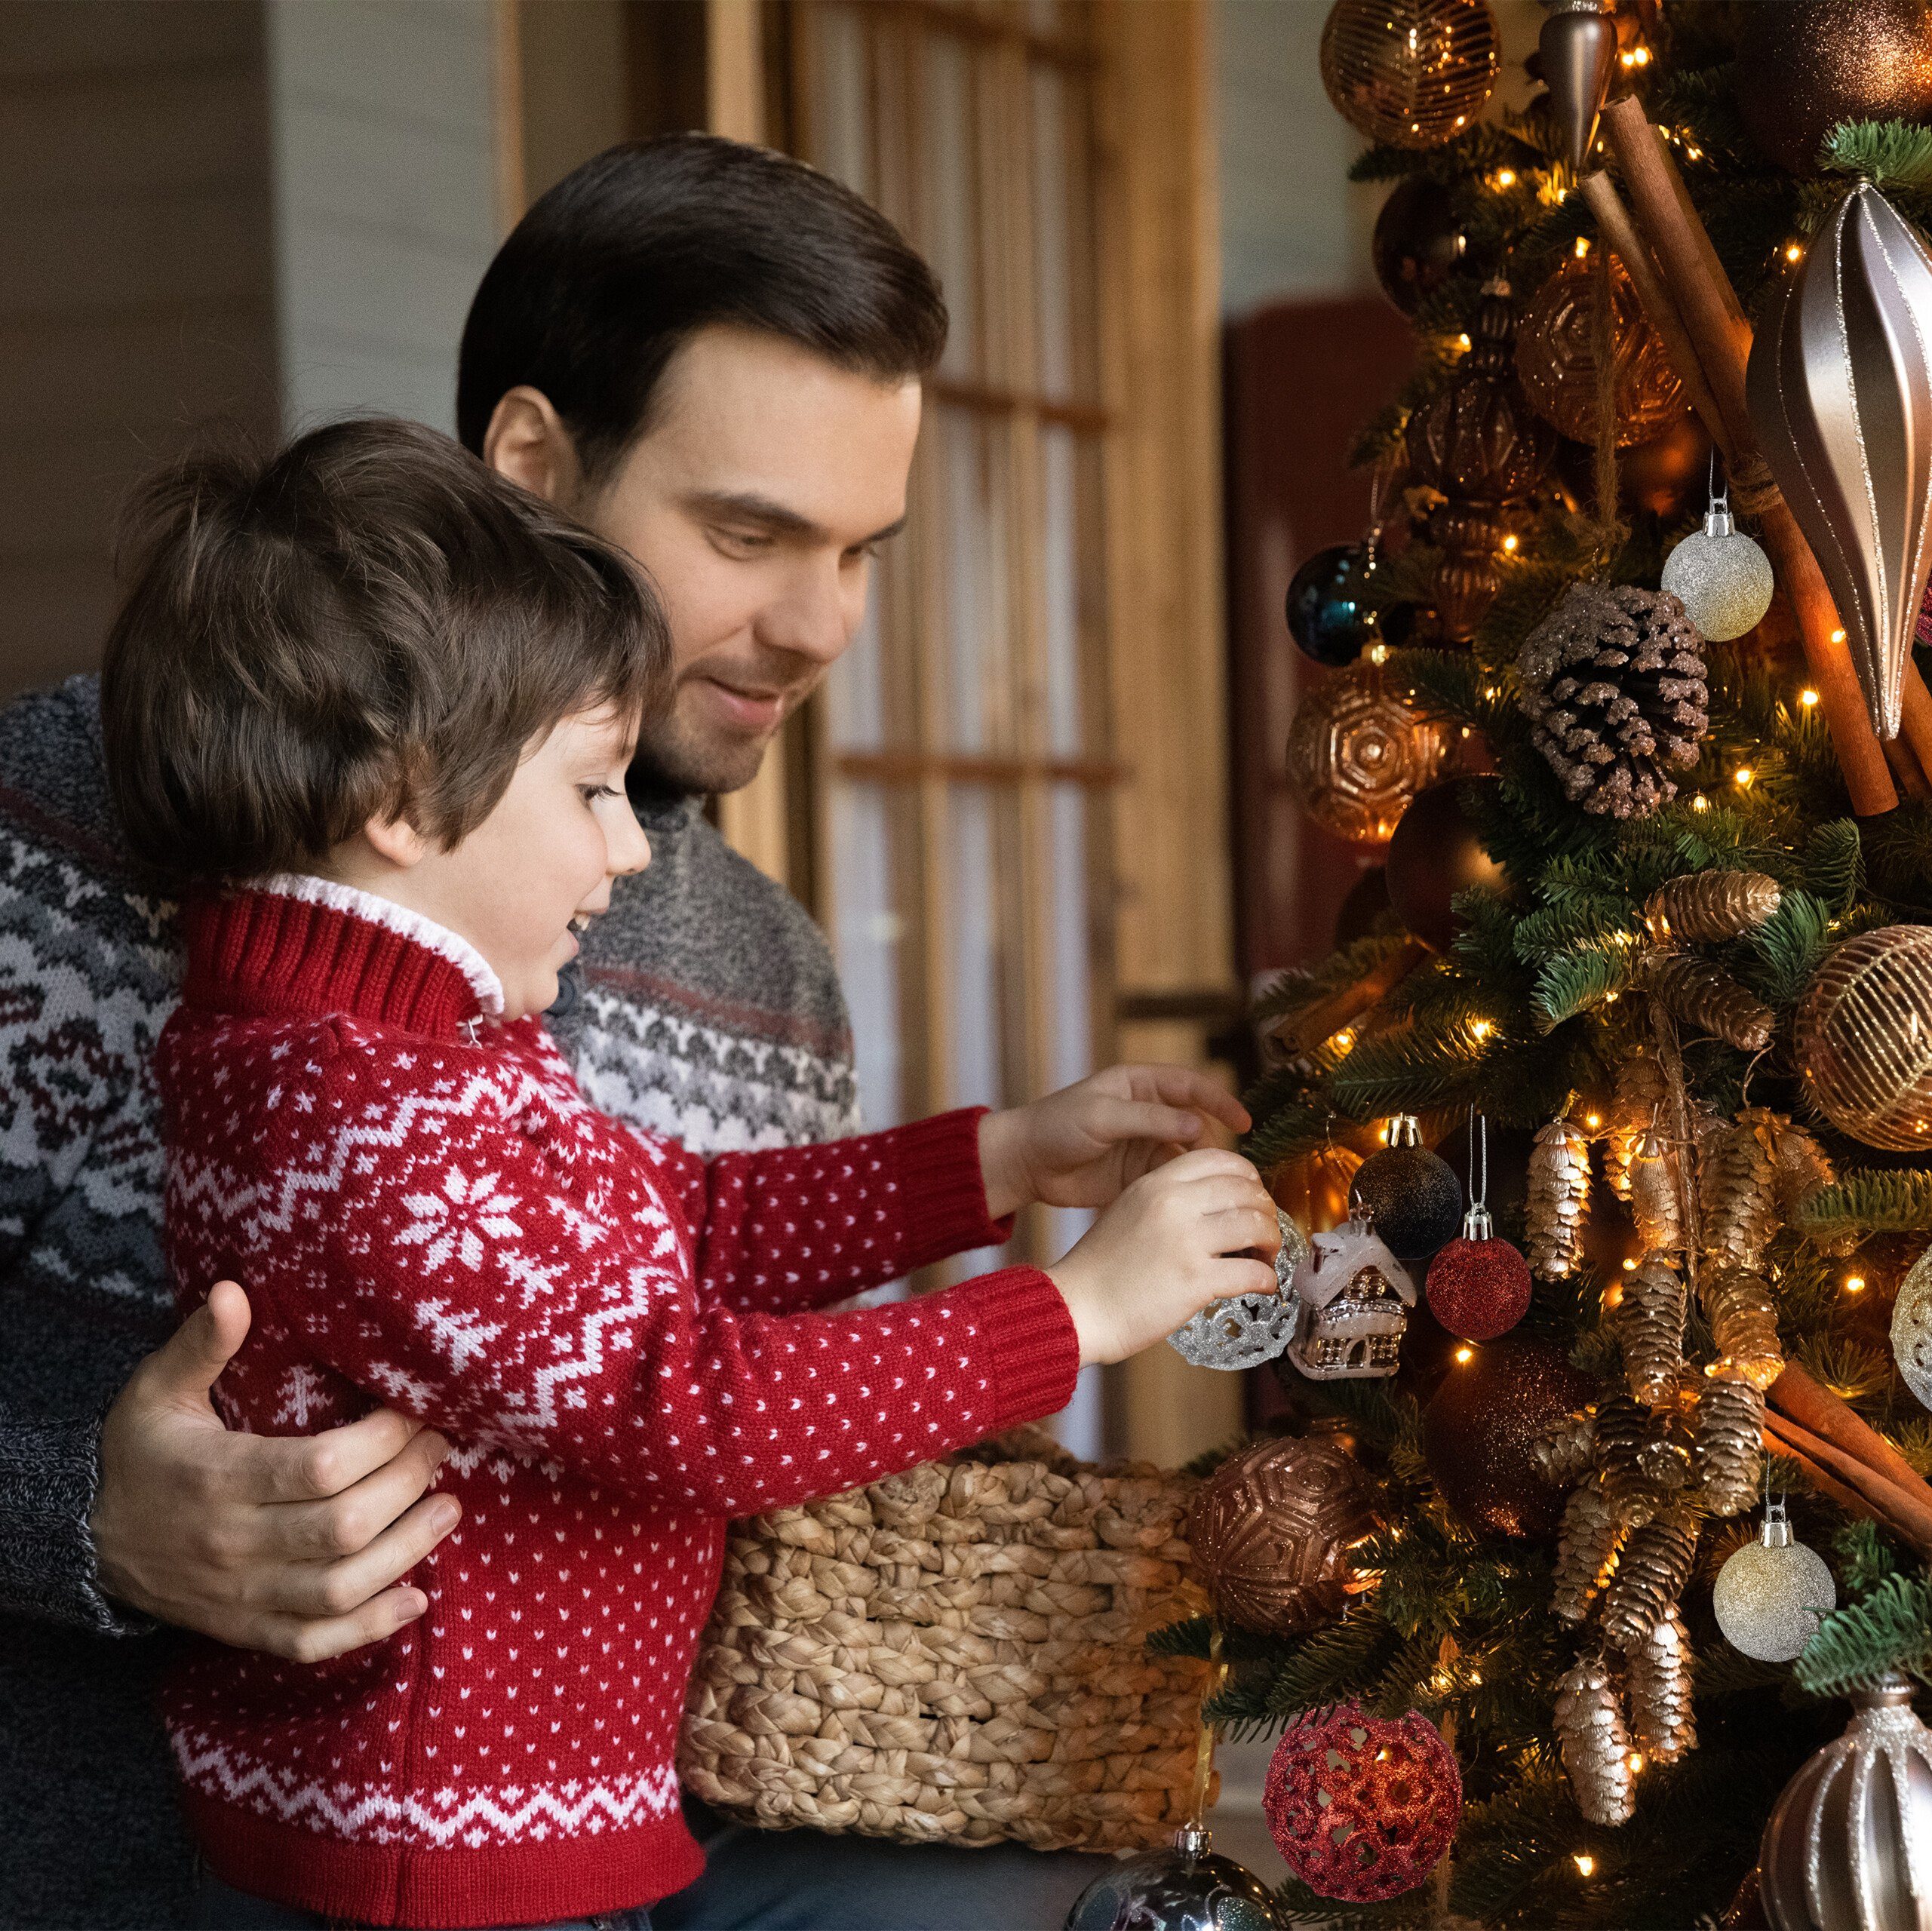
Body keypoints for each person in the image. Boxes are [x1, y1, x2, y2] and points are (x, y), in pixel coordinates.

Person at [0, 137, 1245, 1929]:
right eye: (748, 534)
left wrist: (992, 1164)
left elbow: (710, 1337)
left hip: (595, 1807)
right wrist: (87, 1518)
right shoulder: (61, 820)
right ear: (531, 471)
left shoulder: (759, 967)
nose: (820, 625)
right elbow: (688, 1393)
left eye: (861, 552)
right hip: (219, 1837)